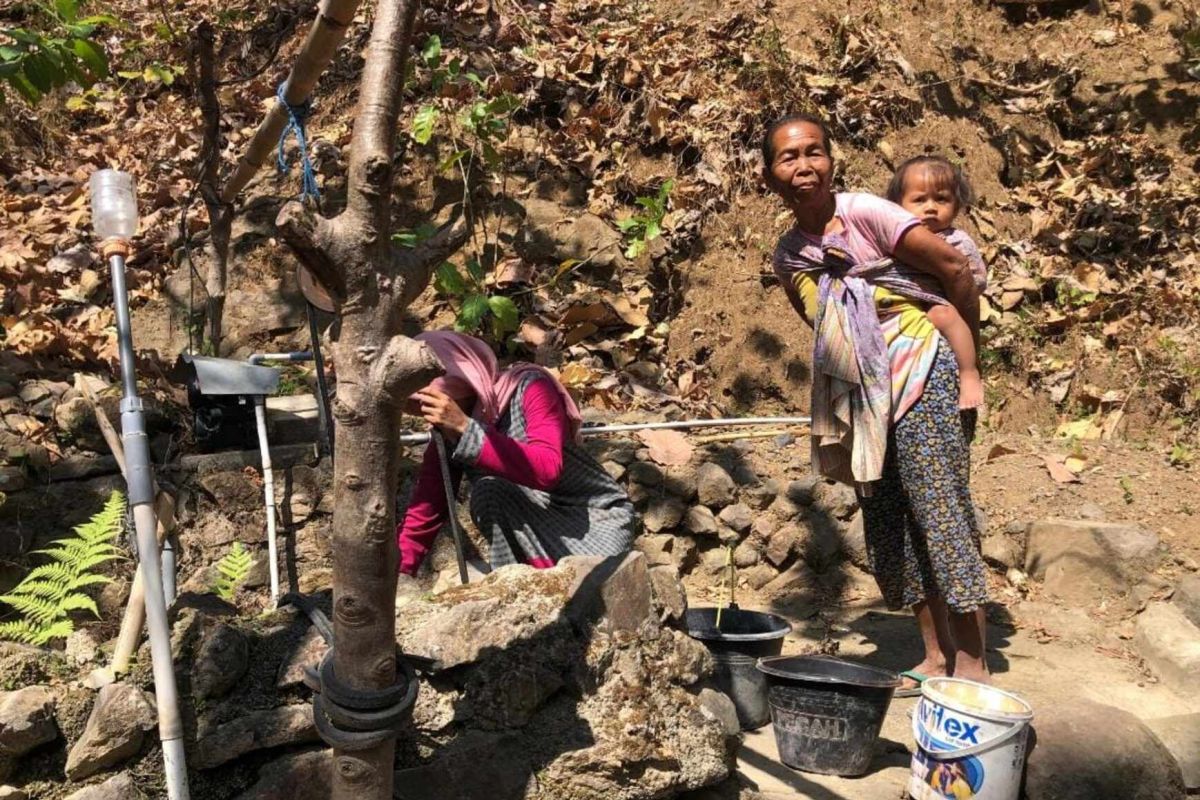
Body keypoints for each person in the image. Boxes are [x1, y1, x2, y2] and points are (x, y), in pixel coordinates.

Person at [762, 113, 990, 692]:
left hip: (923, 368)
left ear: (831, 161)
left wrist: (966, 357)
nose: (803, 165)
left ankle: (972, 661)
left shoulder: (868, 212)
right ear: (770, 175)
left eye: (814, 152)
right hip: (866, 392)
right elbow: (821, 325)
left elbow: (954, 268)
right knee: (889, 520)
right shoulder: (790, 255)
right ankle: (933, 656)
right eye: (788, 157)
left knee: (938, 509)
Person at [395, 331, 636, 579]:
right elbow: (428, 505)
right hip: (536, 529)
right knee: (490, 494)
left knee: (490, 490)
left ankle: (537, 584)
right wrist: (396, 570)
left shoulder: (531, 388)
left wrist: (467, 428)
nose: (423, 414)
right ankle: (523, 583)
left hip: (592, 525)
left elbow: (547, 469)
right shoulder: (447, 432)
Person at [887, 155, 988, 410]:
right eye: (919, 200)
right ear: (897, 206)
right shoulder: (894, 239)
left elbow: (974, 279)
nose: (930, 207)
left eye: (941, 199)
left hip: (939, 303)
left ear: (956, 205)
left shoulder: (957, 241)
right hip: (903, 306)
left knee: (944, 315)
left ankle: (969, 372)